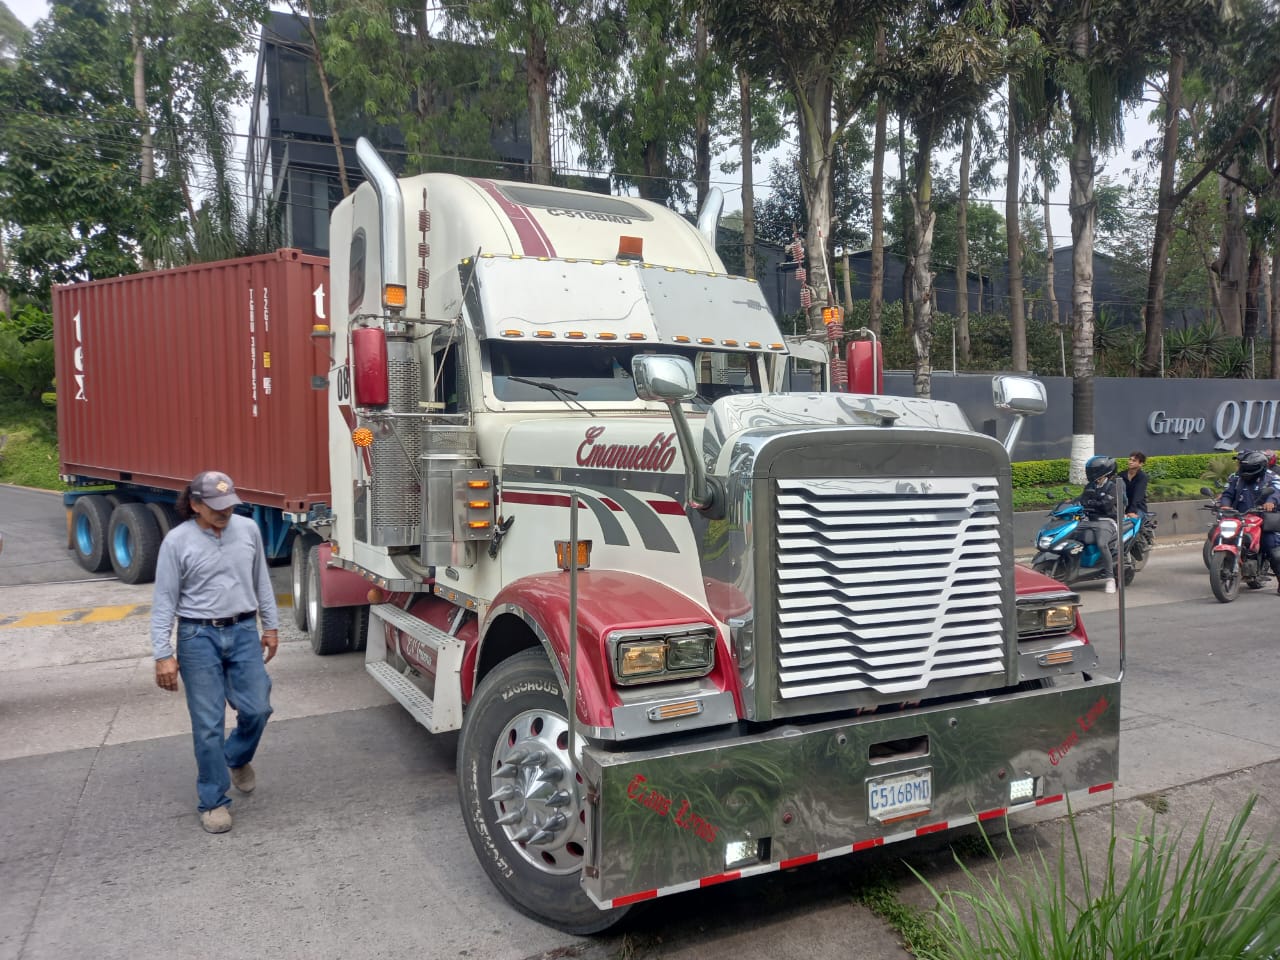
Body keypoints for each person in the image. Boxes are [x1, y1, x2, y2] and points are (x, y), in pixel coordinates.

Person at [151, 470, 279, 834]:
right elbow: (164, 600)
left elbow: (261, 580)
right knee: (207, 726)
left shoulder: (247, 530)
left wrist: (270, 627)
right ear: (195, 504)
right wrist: (163, 653)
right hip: (197, 637)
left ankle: (236, 758)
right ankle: (213, 800)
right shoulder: (177, 542)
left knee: (258, 708)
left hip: (242, 630)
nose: (225, 513)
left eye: (229, 505)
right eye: (216, 507)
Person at [1218, 450, 1280, 590]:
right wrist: (1225, 506)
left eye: (1249, 469)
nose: (1245, 471)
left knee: (1271, 546)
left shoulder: (1272, 477)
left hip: (1262, 517)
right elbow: (1227, 493)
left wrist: (1271, 502)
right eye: (1244, 468)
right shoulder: (1236, 477)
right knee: (1220, 535)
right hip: (1238, 517)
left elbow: (1276, 491)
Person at [1077, 455, 1120, 594]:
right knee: (1068, 535)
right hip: (1088, 521)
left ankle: (1109, 579)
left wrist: (1090, 502)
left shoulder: (1112, 486)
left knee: (1102, 544)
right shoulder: (1090, 486)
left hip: (1106, 522)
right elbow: (1081, 500)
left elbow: (1106, 505)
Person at [1123, 451, 1149, 518]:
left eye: (1134, 461)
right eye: (1130, 459)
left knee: (1133, 520)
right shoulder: (1121, 475)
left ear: (1140, 464)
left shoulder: (1142, 477)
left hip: (1138, 508)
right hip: (1123, 508)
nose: (1130, 462)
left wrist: (1132, 511)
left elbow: (1138, 495)